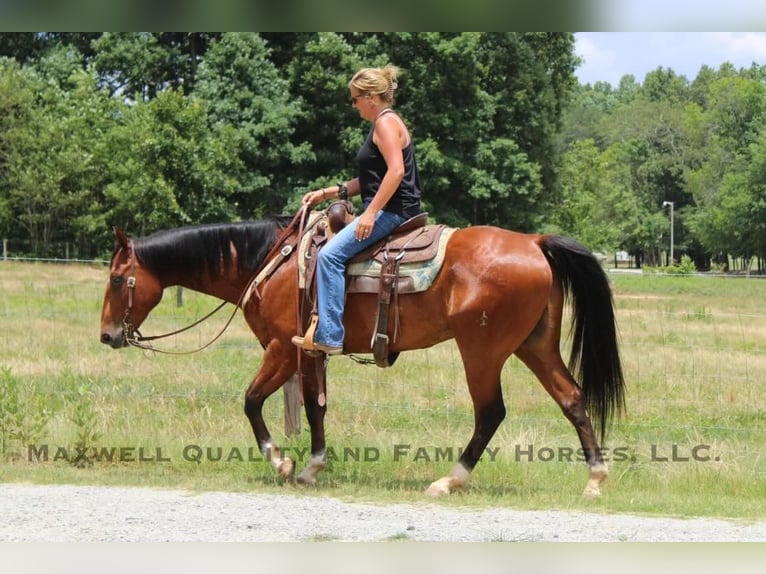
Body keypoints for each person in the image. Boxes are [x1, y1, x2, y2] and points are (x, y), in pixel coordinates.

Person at [291, 64, 423, 355]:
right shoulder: (384, 122)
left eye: (355, 99)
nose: (353, 105)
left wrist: (371, 213)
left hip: (393, 211)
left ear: (371, 97)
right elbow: (370, 179)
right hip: (392, 208)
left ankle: (330, 336)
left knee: (329, 256)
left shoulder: (385, 124)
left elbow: (396, 171)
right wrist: (328, 192)